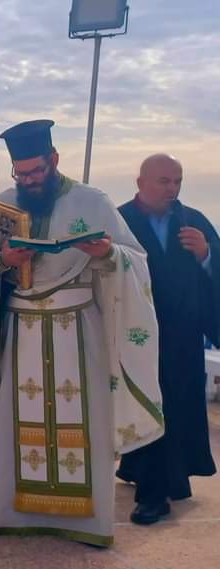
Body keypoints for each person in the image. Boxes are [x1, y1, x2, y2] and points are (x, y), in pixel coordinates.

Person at [0, 120, 163, 547]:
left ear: (53, 160)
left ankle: (85, 522)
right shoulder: (3, 205)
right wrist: (2, 260)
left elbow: (135, 259)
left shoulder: (93, 202)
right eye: (21, 174)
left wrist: (107, 253)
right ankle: (3, 513)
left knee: (85, 418)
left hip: (78, 332)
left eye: (35, 171)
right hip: (20, 334)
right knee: (9, 422)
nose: (28, 181)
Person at [115, 154, 219, 524]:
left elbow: (214, 270)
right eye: (164, 181)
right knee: (147, 404)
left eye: (177, 181)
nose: (172, 189)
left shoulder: (193, 221)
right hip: (136, 336)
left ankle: (161, 479)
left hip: (182, 336)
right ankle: (152, 494)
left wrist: (206, 254)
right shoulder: (119, 221)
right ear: (140, 182)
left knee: (176, 406)